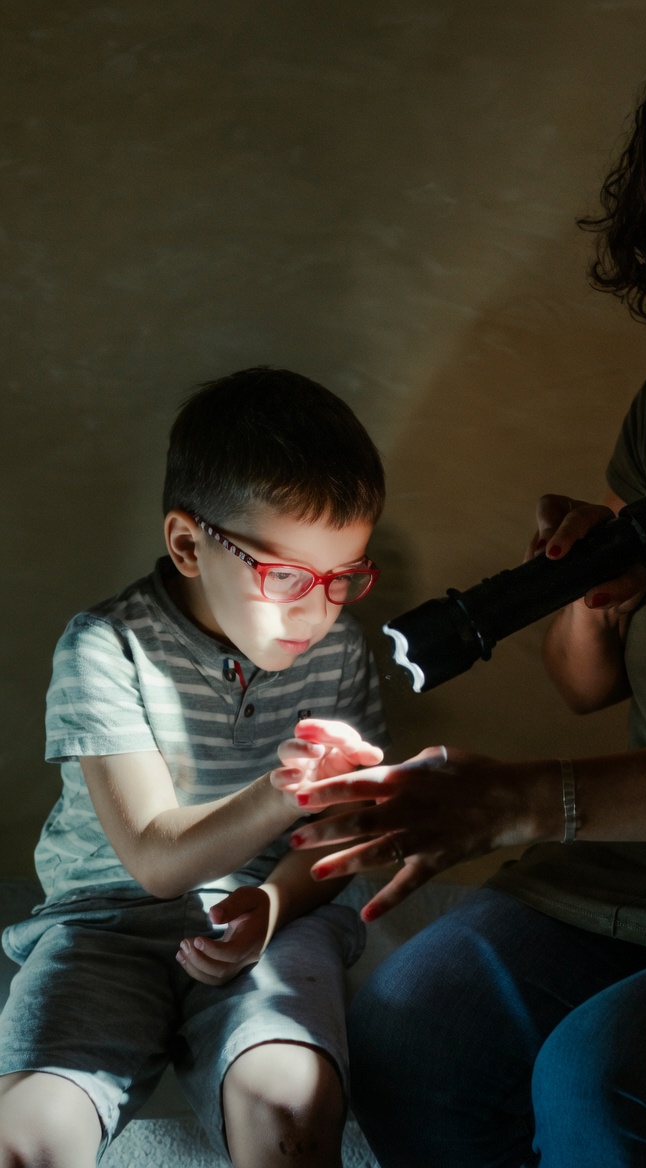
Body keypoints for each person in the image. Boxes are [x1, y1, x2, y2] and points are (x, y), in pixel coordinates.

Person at [283, 8, 646, 1167]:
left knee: (607, 1079)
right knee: (409, 1027)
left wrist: (517, 803)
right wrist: (597, 589)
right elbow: (582, 686)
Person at [0, 366, 388, 1168]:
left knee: (289, 1109)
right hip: (104, 923)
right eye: (285, 576)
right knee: (26, 1135)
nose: (316, 612)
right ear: (187, 543)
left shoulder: (340, 652)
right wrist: (285, 790)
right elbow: (153, 858)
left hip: (275, 921)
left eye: (343, 578)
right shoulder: (104, 649)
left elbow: (341, 840)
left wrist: (275, 904)